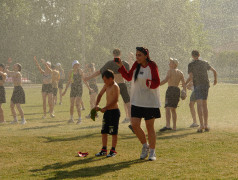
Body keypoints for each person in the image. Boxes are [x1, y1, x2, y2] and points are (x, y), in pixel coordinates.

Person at [117, 47, 161, 161]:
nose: (137, 57)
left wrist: (149, 83)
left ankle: (152, 152)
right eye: (136, 55)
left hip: (150, 101)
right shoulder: (136, 65)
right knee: (135, 124)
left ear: (146, 55)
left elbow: (157, 82)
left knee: (149, 127)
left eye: (139, 55)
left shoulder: (152, 65)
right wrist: (121, 66)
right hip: (137, 100)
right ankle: (145, 146)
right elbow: (128, 76)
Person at [85, 49, 133, 131]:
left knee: (112, 104)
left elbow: (99, 72)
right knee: (128, 104)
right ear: (120, 54)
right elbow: (130, 75)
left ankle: (112, 122)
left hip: (114, 85)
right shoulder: (125, 63)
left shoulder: (110, 63)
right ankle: (132, 123)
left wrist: (88, 78)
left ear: (113, 54)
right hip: (122, 84)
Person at [186, 50, 217, 133]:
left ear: (192, 56)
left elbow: (191, 77)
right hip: (205, 85)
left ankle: (201, 125)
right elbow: (214, 71)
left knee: (199, 105)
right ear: (199, 55)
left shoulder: (191, 64)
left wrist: (188, 84)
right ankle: (206, 125)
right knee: (204, 104)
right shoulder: (204, 63)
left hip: (198, 85)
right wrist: (215, 80)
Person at [95, 70, 120, 158]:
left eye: (105, 80)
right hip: (107, 111)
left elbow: (115, 100)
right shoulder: (106, 85)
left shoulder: (115, 86)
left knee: (113, 132)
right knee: (104, 131)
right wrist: (97, 104)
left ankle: (113, 150)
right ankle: (104, 150)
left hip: (114, 111)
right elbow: (100, 95)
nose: (104, 82)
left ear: (110, 78)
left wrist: (106, 107)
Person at [159, 58, 186, 131]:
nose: (169, 64)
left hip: (170, 90)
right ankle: (174, 127)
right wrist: (184, 92)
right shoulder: (180, 72)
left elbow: (166, 80)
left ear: (174, 64)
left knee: (167, 108)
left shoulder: (170, 71)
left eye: (170, 62)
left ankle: (168, 126)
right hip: (177, 90)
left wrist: (157, 84)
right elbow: (183, 84)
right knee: (173, 109)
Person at [62, 60, 93, 124]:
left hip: (79, 88)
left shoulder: (80, 71)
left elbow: (84, 80)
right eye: (75, 65)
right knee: (72, 104)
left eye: (78, 65)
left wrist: (89, 88)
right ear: (73, 66)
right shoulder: (71, 72)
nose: (77, 66)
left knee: (77, 104)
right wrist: (65, 91)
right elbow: (68, 81)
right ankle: (71, 118)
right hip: (73, 88)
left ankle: (79, 119)